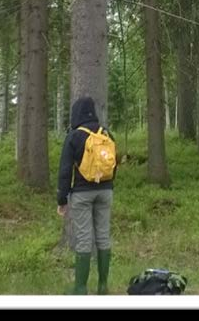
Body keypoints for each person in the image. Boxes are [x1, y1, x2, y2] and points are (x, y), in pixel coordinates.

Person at [56, 96, 115, 295]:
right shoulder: (106, 134)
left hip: (82, 194)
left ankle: (80, 288)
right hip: (105, 191)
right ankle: (103, 285)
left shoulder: (74, 136)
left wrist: (61, 199)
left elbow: (65, 170)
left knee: (83, 238)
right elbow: (112, 164)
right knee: (103, 236)